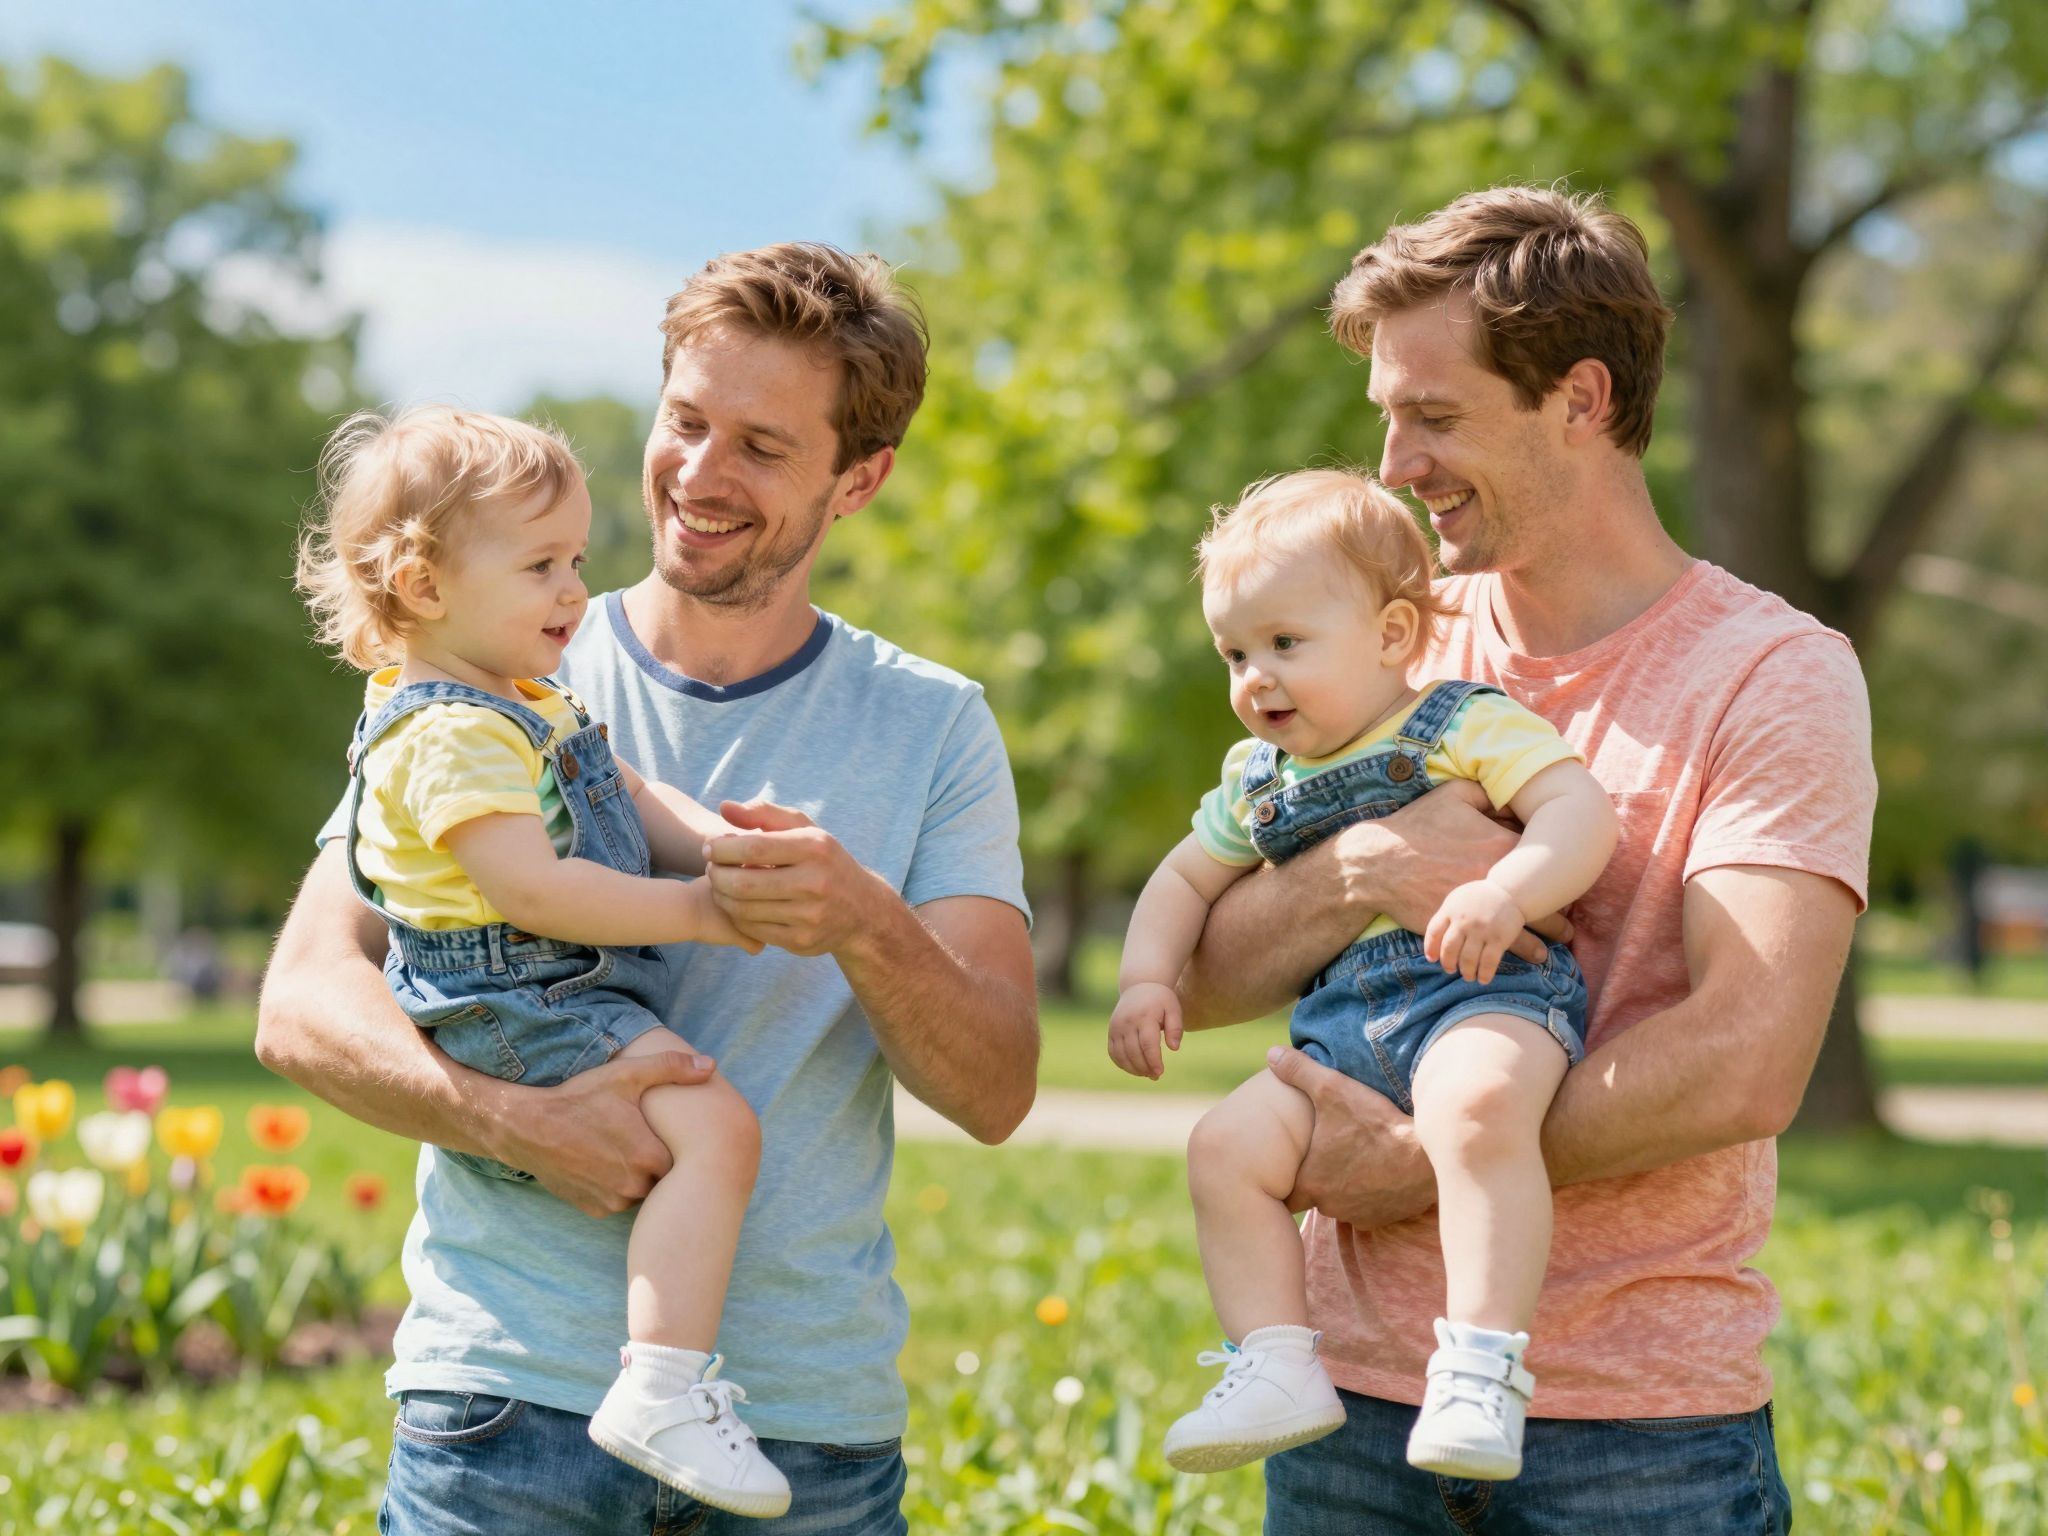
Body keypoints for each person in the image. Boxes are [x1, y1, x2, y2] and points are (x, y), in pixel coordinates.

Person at [257, 243, 1038, 1536]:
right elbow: (301, 1004)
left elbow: (996, 1088)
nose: (699, 474)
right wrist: (512, 1120)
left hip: (802, 1433)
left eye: (762, 447)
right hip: (504, 1409)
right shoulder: (484, 665)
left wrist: (859, 920)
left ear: (860, 479)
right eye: (684, 421)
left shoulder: (935, 726)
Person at [1174, 188, 1874, 1532]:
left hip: (1635, 1439)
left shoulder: (1770, 675)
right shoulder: (1375, 638)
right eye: (1387, 416)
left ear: (1581, 400)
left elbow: (1745, 1057)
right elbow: (1198, 974)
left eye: (1434, 417)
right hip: (1346, 1415)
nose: (1395, 465)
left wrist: (1416, 1159)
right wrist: (1363, 867)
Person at [295, 405, 789, 1516]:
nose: (575, 590)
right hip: (511, 992)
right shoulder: (450, 732)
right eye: (540, 566)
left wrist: (724, 845)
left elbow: (624, 793)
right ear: (424, 586)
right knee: (717, 1129)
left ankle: (666, 1380)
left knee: (704, 1131)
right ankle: (662, 1387)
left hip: (546, 977)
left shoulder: (519, 700)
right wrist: (699, 911)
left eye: (574, 560)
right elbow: (534, 890)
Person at [1109, 468, 1615, 1480]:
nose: (1255, 677)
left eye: (1284, 643)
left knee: (1476, 1111)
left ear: (1390, 635)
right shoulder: (1256, 781)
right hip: (1343, 1034)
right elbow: (1181, 879)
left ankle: (1480, 1367)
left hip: (1480, 993)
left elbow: (1577, 812)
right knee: (1223, 1149)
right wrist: (1145, 980)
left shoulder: (1460, 724)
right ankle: (1275, 1363)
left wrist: (1506, 890)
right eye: (1234, 653)